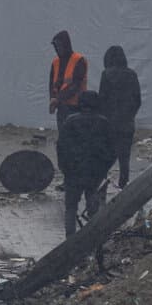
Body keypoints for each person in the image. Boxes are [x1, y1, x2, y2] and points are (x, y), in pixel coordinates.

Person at [56, 88, 115, 244]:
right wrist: (103, 170)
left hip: (73, 173)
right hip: (94, 174)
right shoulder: (104, 123)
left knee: (70, 208)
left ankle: (70, 242)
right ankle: (93, 240)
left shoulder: (70, 121)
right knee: (93, 207)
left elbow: (61, 147)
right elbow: (112, 150)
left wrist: (65, 169)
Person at [97, 45, 143, 190]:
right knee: (124, 157)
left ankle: (102, 182)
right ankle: (124, 183)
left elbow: (102, 99)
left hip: (109, 123)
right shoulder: (132, 74)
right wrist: (130, 115)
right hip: (127, 123)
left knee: (105, 154)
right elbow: (138, 100)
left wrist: (103, 118)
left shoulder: (106, 74)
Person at [48, 30, 88, 128]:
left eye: (59, 46)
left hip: (76, 106)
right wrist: (52, 99)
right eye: (56, 46)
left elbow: (75, 85)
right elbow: (52, 84)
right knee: (63, 136)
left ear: (66, 44)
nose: (57, 49)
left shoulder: (79, 60)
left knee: (74, 136)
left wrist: (57, 99)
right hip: (62, 107)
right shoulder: (55, 62)